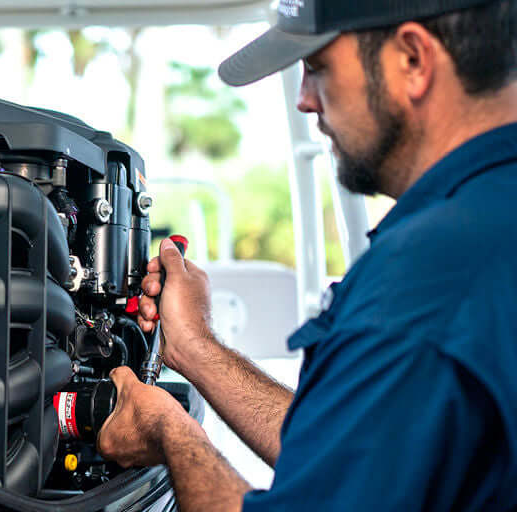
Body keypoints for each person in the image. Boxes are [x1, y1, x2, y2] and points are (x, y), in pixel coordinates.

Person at [96, 0, 517, 510]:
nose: (304, 100)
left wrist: (169, 431)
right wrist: (194, 346)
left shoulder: (431, 275)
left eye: (317, 68)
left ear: (412, 59)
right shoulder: (488, 224)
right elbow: (355, 453)